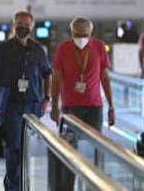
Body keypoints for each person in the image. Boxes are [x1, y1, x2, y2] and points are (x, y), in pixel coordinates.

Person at [0, 11, 52, 191]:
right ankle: (14, 187)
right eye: (20, 24)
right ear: (14, 25)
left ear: (32, 26)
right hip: (10, 105)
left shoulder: (38, 50)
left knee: (25, 148)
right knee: (13, 146)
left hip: (32, 104)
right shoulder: (3, 49)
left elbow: (48, 74)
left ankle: (20, 183)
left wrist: (47, 98)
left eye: (27, 24)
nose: (23, 27)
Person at [49, 17, 115, 190]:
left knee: (96, 150)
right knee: (68, 152)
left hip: (94, 107)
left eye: (84, 35)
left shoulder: (99, 47)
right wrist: (54, 106)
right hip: (70, 108)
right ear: (72, 33)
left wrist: (111, 106)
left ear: (90, 33)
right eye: (77, 35)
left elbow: (105, 78)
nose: (81, 38)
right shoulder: (63, 48)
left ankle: (95, 186)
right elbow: (55, 80)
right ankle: (67, 187)